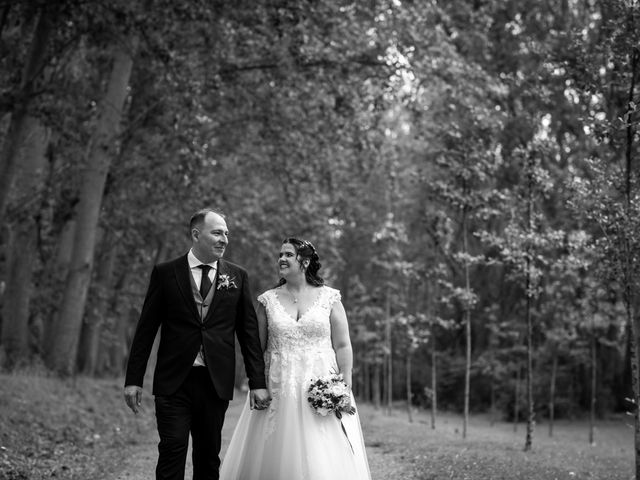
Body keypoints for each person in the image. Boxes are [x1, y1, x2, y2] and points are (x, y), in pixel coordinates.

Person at [123, 208, 270, 480]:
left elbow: (248, 334)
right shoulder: (166, 273)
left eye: (226, 233)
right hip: (173, 380)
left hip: (215, 383)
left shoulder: (237, 276)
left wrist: (257, 382)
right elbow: (146, 329)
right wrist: (134, 379)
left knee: (207, 455)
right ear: (196, 234)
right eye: (217, 232)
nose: (224, 239)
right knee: (172, 448)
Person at [219, 237, 371, 480]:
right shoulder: (267, 300)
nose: (281, 258)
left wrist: (345, 382)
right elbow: (256, 348)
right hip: (278, 387)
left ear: (305, 261)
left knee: (322, 451)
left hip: (322, 386)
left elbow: (342, 345)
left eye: (288, 254)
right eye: (280, 254)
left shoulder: (330, 298)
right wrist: (256, 383)